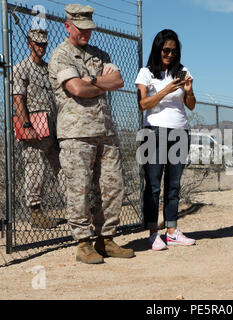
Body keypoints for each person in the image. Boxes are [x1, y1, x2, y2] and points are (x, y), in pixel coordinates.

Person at [48, 4, 134, 264]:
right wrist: (97, 82)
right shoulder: (60, 55)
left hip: (105, 132)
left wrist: (91, 80)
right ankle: (83, 243)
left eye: (89, 29)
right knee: (80, 189)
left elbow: (118, 81)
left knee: (112, 187)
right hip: (76, 134)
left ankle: (106, 239)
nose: (86, 33)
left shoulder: (100, 54)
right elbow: (76, 89)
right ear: (67, 26)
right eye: (81, 29)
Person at [135, 29, 197, 250]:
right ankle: (153, 233)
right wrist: (165, 90)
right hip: (153, 131)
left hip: (180, 131)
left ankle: (172, 231)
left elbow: (190, 104)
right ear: (158, 49)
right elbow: (143, 104)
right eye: (166, 50)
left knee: (173, 185)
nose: (170, 54)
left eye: (174, 50)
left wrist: (188, 91)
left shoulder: (182, 71)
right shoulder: (146, 73)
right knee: (153, 185)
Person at [13, 29, 62, 229]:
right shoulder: (21, 68)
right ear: (28, 43)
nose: (41, 47)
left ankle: (77, 208)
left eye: (43, 44)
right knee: (35, 168)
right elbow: (18, 98)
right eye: (37, 43)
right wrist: (26, 125)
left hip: (52, 126)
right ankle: (35, 211)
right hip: (34, 125)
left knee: (63, 168)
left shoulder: (48, 70)